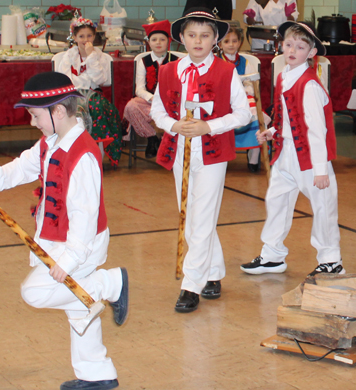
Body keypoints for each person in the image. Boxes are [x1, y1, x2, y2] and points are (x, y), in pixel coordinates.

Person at [0, 72, 129, 390]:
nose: (32, 122)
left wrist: (68, 260)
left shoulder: (82, 156)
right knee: (78, 307)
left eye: (35, 115)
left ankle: (111, 282)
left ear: (57, 112)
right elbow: (22, 166)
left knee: (36, 292)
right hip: (55, 238)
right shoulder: (51, 141)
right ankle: (97, 374)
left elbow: (84, 216)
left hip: (78, 244)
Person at [151, 7, 251, 312]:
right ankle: (214, 272)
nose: (198, 41)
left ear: (215, 39)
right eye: (192, 35)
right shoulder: (169, 71)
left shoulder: (226, 71)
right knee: (192, 214)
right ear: (181, 38)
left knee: (202, 216)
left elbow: (243, 113)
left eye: (205, 36)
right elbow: (157, 111)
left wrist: (209, 125)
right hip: (180, 149)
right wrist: (173, 125)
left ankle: (190, 285)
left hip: (213, 153)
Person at [240, 21, 344, 277]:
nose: (292, 50)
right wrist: (273, 131)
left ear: (311, 53)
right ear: (281, 47)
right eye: (288, 45)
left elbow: (316, 130)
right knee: (276, 201)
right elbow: (289, 116)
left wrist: (320, 170)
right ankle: (273, 255)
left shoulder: (308, 85)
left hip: (310, 158)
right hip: (286, 153)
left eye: (300, 46)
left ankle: (331, 260)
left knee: (323, 207)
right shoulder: (284, 76)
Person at [58, 16, 122, 168]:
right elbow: (65, 80)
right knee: (76, 108)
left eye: (88, 36)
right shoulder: (69, 56)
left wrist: (91, 57)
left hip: (94, 94)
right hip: (73, 95)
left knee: (95, 107)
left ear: (94, 36)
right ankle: (75, 154)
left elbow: (100, 79)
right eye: (81, 36)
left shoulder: (100, 57)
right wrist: (83, 82)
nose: (85, 39)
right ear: (74, 37)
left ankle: (95, 153)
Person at [123, 20, 180, 158]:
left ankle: (169, 142)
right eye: (154, 39)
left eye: (162, 39)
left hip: (172, 103)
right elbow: (140, 89)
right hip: (151, 101)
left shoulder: (177, 60)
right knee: (131, 106)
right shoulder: (143, 61)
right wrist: (153, 98)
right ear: (149, 42)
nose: (158, 43)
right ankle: (152, 138)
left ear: (168, 41)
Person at [218, 26, 262, 172]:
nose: (231, 44)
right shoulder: (215, 62)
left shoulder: (245, 62)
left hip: (242, 98)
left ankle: (254, 153)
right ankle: (220, 153)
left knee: (254, 109)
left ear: (240, 43)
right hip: (222, 98)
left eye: (234, 41)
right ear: (220, 44)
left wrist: (241, 92)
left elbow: (250, 85)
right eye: (226, 41)